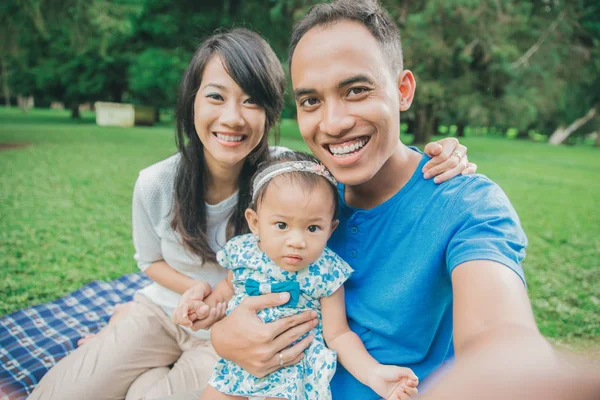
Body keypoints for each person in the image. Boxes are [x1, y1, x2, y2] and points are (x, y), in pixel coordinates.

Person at [28, 26, 473, 400]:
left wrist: (445, 152)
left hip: (235, 331)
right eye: (216, 97)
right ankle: (122, 332)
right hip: (164, 312)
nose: (233, 118)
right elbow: (149, 263)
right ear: (192, 103)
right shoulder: (155, 183)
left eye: (252, 101)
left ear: (270, 112)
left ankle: (129, 363)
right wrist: (198, 294)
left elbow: (362, 162)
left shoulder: (290, 175)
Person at [199, 1, 539, 399]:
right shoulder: (306, 198)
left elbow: (498, 341)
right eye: (311, 101)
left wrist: (519, 373)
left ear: (402, 90)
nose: (334, 123)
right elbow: (245, 285)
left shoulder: (467, 204)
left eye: (356, 91)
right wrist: (223, 336)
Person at [180, 151, 419, 400]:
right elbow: (227, 288)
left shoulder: (326, 271)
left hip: (292, 373)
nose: (297, 242)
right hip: (238, 365)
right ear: (254, 222)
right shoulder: (243, 252)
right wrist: (206, 308)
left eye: (313, 228)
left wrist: (373, 373)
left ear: (331, 228)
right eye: (281, 225)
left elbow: (338, 335)